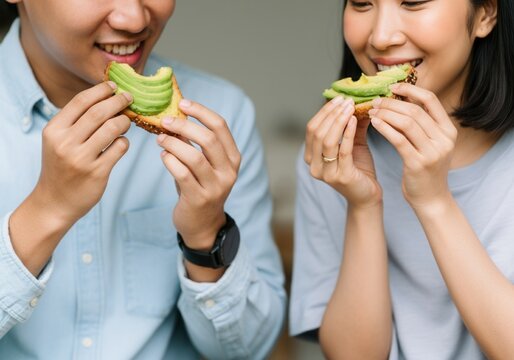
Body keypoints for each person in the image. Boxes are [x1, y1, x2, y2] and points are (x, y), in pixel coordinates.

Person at [0, 1, 286, 359]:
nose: (135, 18)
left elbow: (247, 350)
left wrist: (205, 236)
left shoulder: (220, 116)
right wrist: (47, 210)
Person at [290, 0, 514, 358]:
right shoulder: (332, 155)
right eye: (362, 3)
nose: (380, 36)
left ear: (485, 14)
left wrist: (434, 202)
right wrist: (363, 204)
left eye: (413, 2)